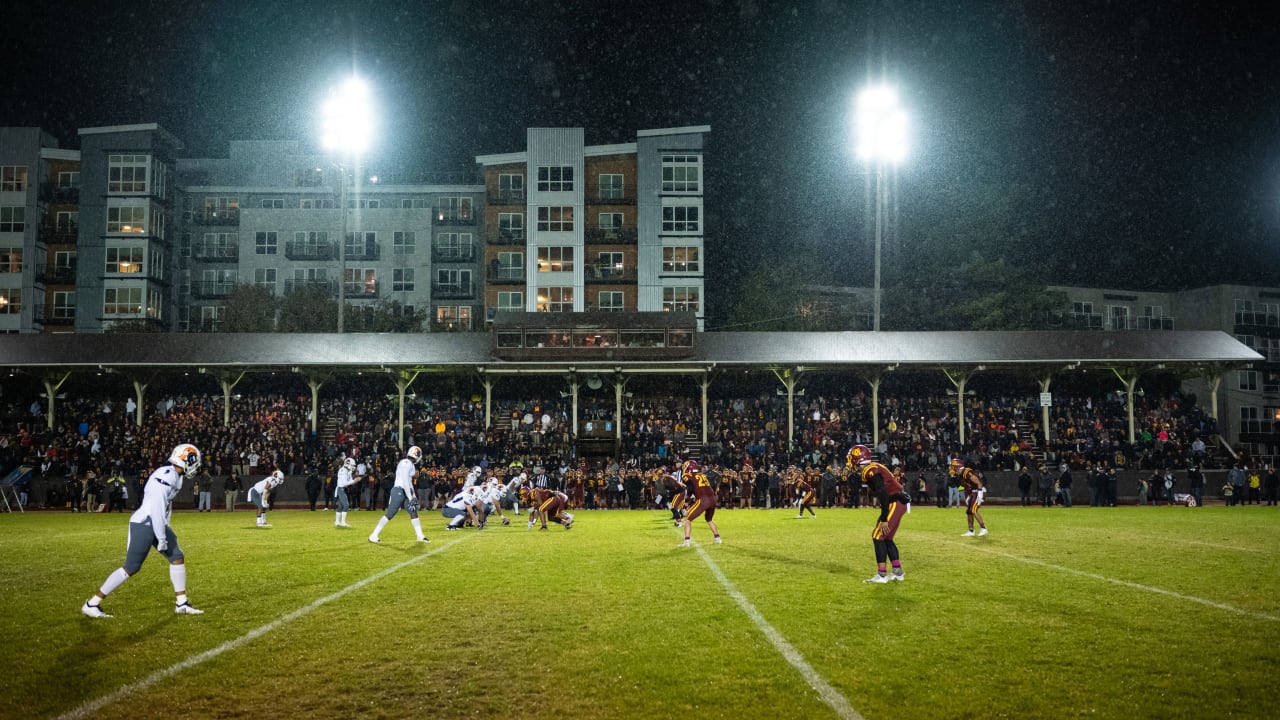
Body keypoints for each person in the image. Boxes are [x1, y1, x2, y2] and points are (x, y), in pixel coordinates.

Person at [81, 444, 204, 618]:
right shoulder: (166, 475)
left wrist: (165, 527)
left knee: (177, 556)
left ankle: (181, 603)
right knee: (131, 568)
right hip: (145, 523)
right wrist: (161, 536)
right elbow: (157, 507)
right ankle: (92, 603)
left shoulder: (176, 476)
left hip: (156, 522)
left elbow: (165, 506)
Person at [848, 445, 909, 584]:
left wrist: (884, 518)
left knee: (877, 535)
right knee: (886, 538)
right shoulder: (872, 467)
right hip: (897, 502)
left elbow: (882, 492)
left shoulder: (869, 470)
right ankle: (897, 572)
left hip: (894, 502)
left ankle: (882, 575)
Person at [368, 446, 430, 543]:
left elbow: (409, 483)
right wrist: (410, 497)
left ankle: (420, 536)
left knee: (413, 512)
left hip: (405, 491)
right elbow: (405, 481)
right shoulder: (406, 463)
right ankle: (373, 535)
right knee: (390, 514)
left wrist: (413, 496)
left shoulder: (409, 464)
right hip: (399, 490)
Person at [678, 459, 721, 547]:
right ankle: (717, 538)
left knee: (688, 519)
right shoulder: (703, 475)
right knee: (709, 519)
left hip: (703, 499)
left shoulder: (688, 475)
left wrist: (686, 501)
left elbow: (690, 489)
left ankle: (687, 541)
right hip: (712, 499)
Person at [951, 458, 988, 537]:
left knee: (973, 510)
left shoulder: (967, 472)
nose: (953, 469)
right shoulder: (961, 476)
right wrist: (968, 496)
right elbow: (967, 487)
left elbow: (979, 483)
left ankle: (983, 528)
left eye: (954, 467)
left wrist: (980, 495)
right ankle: (971, 531)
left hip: (979, 491)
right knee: (969, 512)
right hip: (972, 493)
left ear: (958, 467)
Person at [334, 457, 357, 528]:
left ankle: (337, 522)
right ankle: (343, 522)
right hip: (341, 489)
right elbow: (345, 483)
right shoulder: (344, 471)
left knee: (341, 506)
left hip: (341, 489)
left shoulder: (345, 470)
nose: (353, 467)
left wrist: (351, 475)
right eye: (352, 465)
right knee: (346, 505)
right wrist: (354, 481)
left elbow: (349, 480)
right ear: (348, 464)